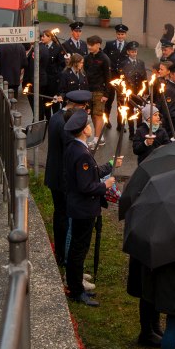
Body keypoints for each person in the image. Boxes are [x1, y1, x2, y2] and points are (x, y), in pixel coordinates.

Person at [63, 109, 120, 307]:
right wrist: (106, 185)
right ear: (83, 130)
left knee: (78, 249)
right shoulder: (81, 153)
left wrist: (110, 164)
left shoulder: (75, 148)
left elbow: (91, 173)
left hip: (79, 208)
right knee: (79, 250)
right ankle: (76, 290)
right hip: (83, 209)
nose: (90, 127)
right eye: (88, 124)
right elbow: (86, 186)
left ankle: (75, 284)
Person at [43, 89, 91, 268]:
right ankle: (63, 255)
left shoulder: (56, 116)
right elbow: (71, 150)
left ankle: (61, 253)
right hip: (63, 178)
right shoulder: (67, 122)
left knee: (60, 215)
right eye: (84, 109)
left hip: (54, 174)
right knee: (65, 218)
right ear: (79, 106)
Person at [82, 35, 112, 143]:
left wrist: (106, 94)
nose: (89, 47)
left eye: (91, 45)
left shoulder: (104, 58)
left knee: (98, 114)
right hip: (88, 90)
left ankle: (97, 138)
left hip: (100, 91)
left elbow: (108, 78)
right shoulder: (87, 58)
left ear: (98, 45)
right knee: (93, 115)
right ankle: (98, 136)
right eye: (88, 45)